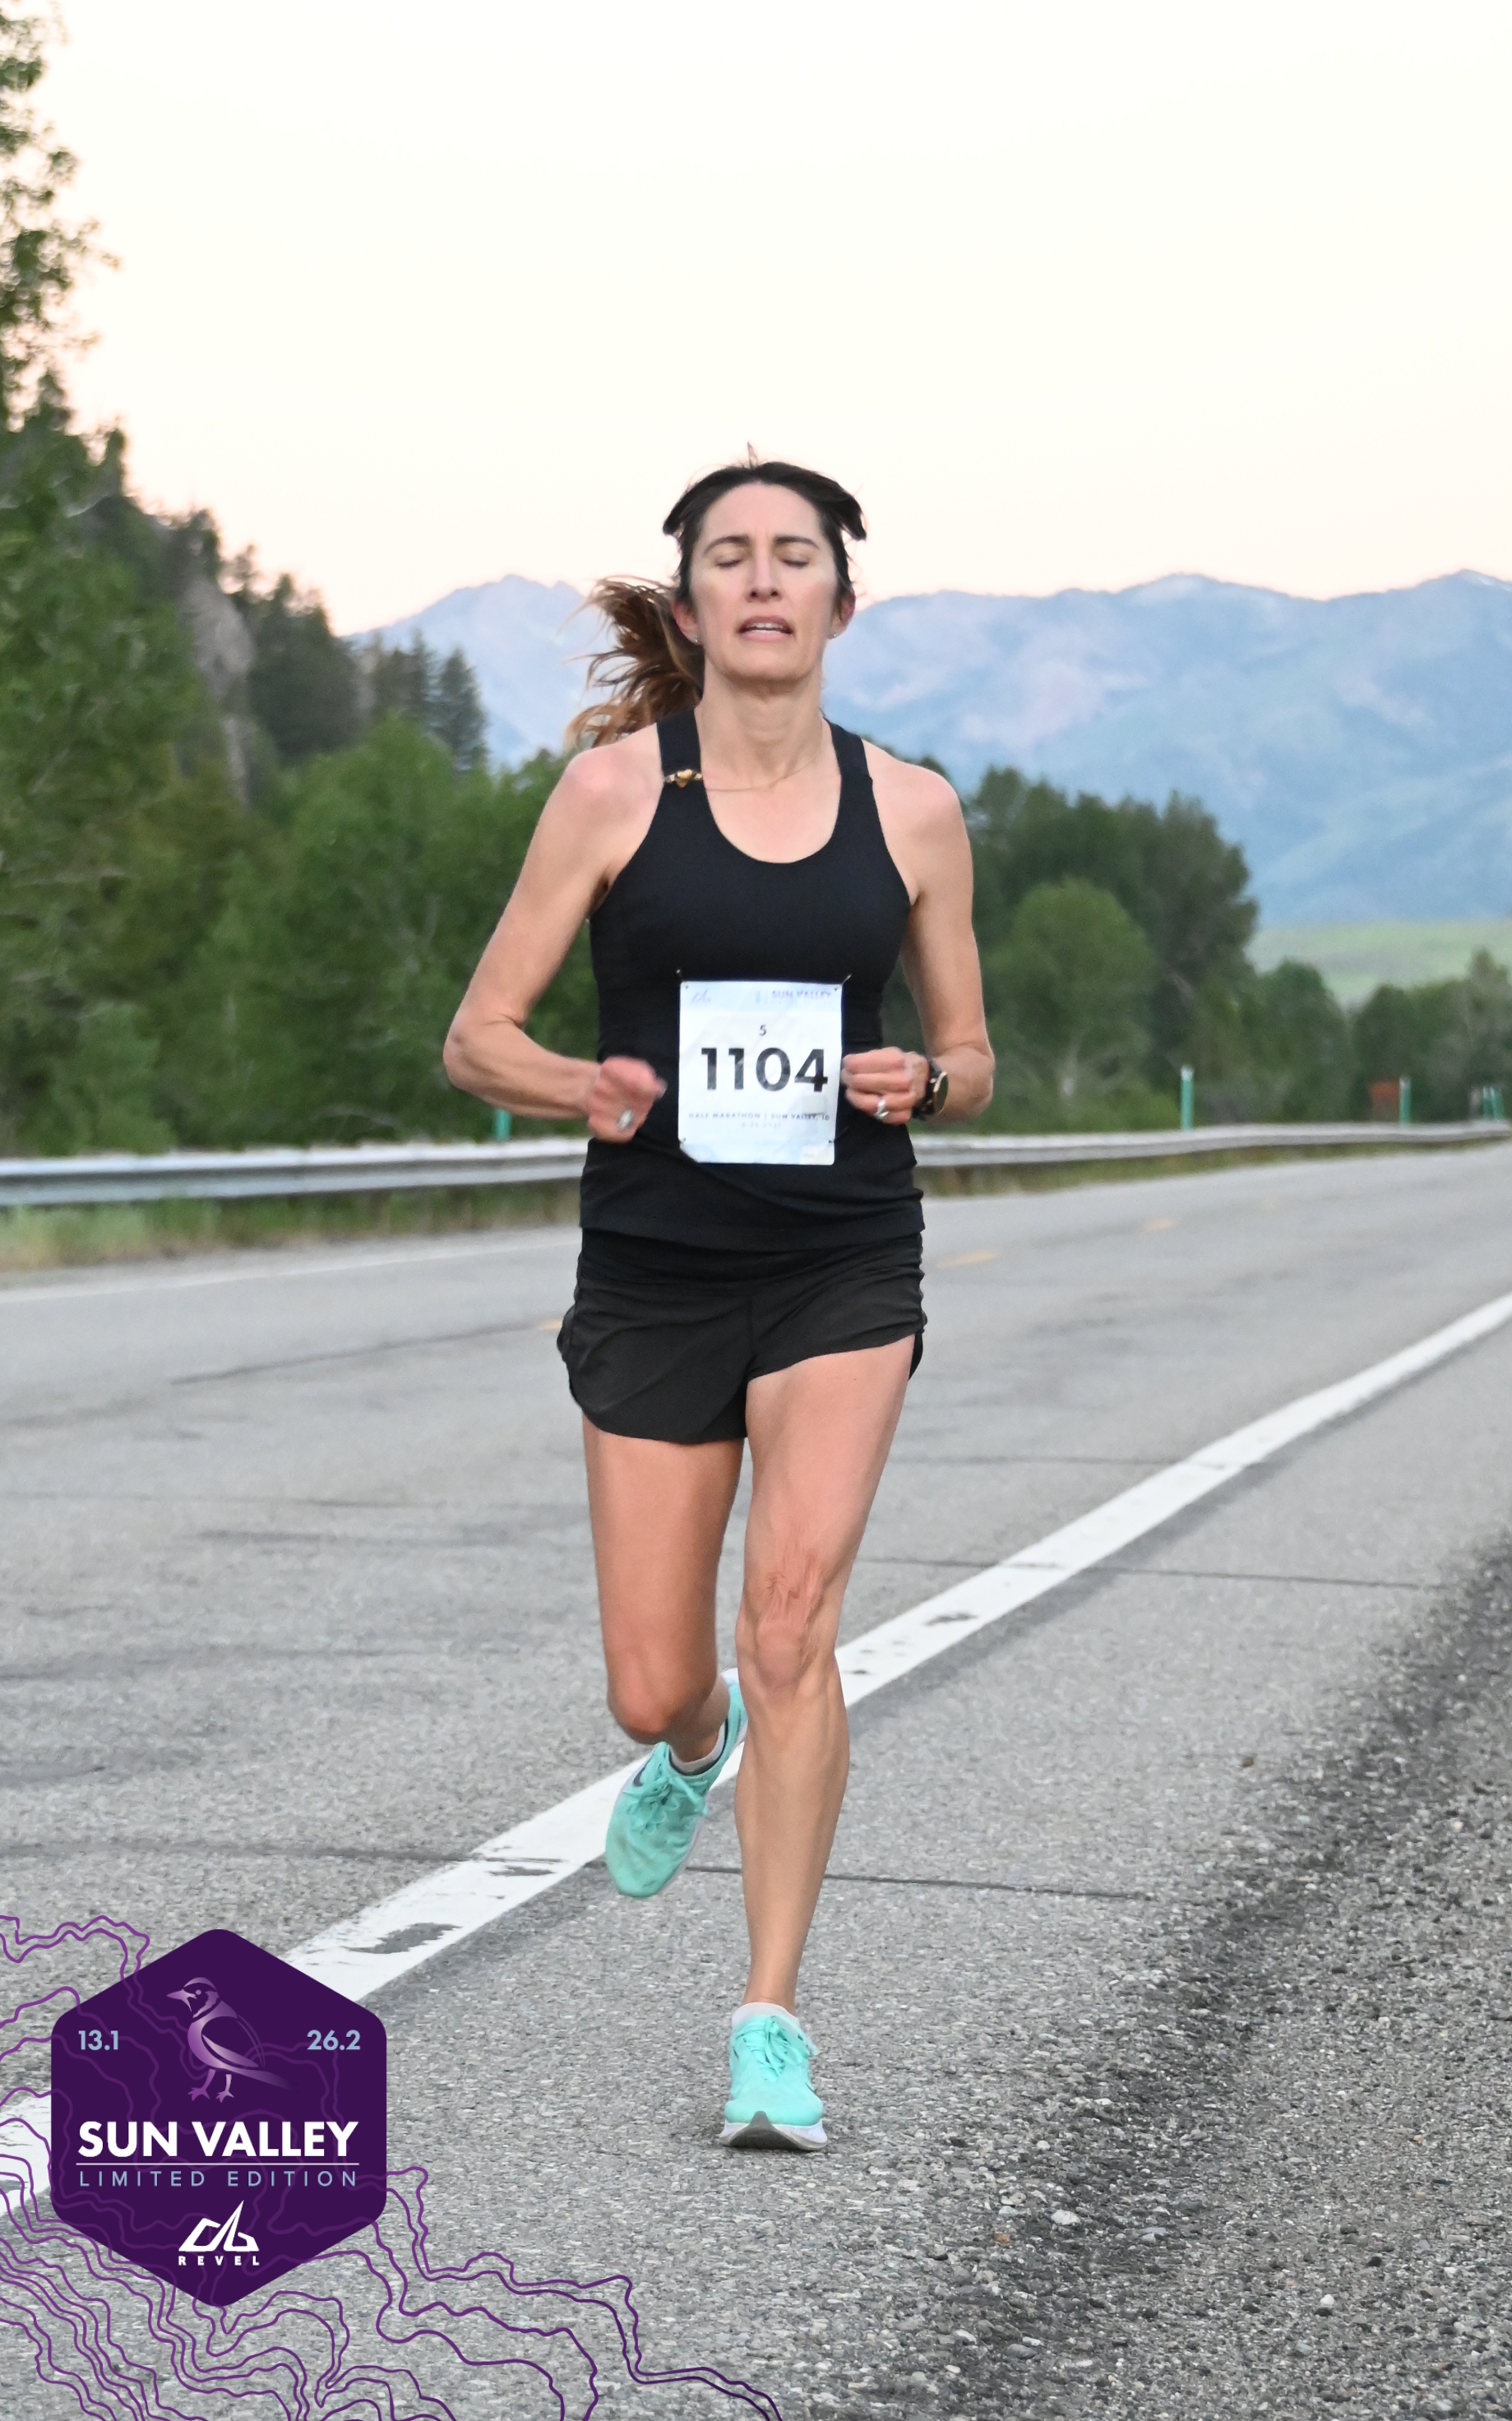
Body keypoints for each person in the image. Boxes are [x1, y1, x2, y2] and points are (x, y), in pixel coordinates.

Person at [444, 458, 994, 2148]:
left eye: (795, 556)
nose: (765, 580)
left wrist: (925, 1077)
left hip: (841, 1258)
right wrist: (582, 1086)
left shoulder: (913, 809)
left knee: (792, 1627)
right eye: (732, 559)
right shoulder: (613, 795)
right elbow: (477, 1036)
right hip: (656, 1269)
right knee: (655, 1679)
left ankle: (770, 2022)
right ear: (689, 611)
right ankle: (691, 1752)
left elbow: (973, 1056)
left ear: (842, 601)